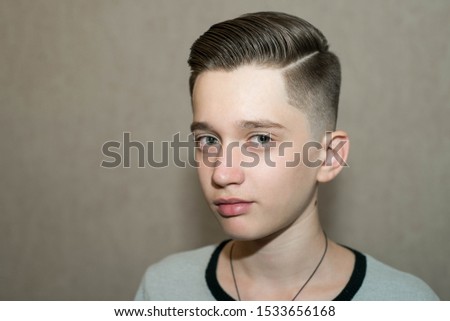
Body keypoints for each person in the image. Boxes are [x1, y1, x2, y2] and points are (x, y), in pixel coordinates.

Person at [135, 11, 439, 301]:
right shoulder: (162, 289)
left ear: (329, 156)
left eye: (261, 139)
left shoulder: (406, 303)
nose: (222, 173)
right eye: (209, 140)